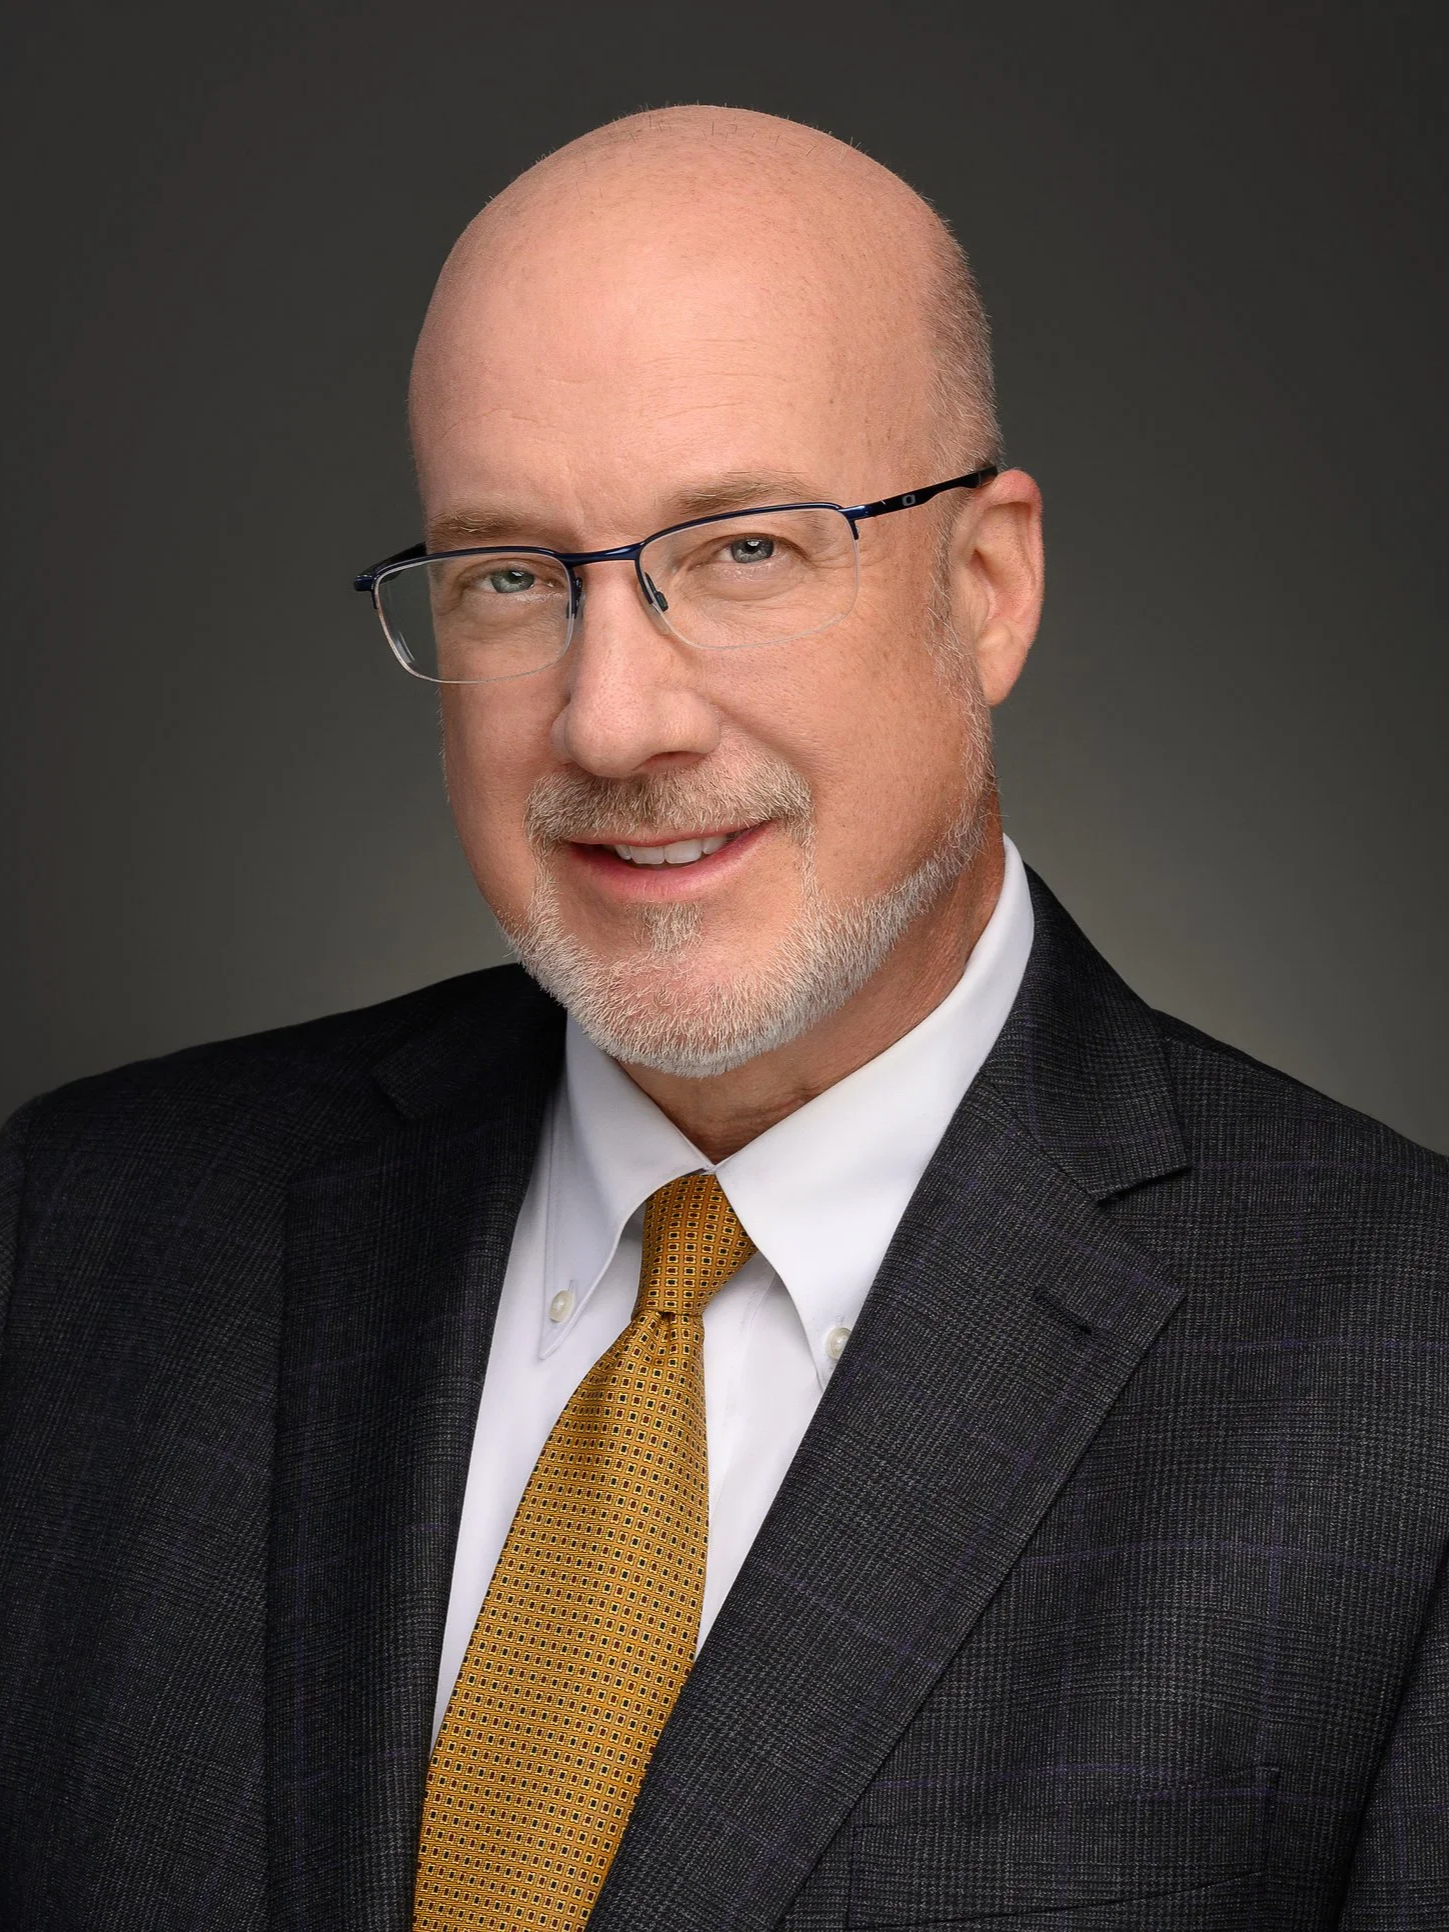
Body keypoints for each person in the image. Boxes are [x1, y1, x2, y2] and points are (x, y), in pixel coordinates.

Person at [0, 104, 1445, 1932]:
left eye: (746, 549)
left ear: (984, 590)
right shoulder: (88, 1235)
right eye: (514, 574)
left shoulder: (1403, 1384)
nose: (614, 721)